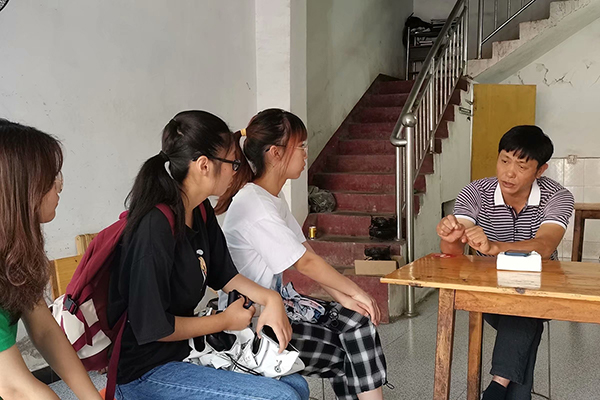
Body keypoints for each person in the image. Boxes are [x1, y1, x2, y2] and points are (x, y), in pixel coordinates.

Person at [107, 110, 309, 400]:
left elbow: (224, 275)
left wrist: (271, 299)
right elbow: (154, 327)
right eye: (232, 163)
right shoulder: (154, 228)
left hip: (183, 351)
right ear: (204, 165)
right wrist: (224, 321)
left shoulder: (200, 211)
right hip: (145, 371)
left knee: (297, 386)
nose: (236, 171)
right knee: (281, 397)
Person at [216, 108, 388, 400]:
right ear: (275, 153)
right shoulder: (255, 204)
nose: (306, 153)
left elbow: (305, 250)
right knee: (348, 351)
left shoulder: (270, 197)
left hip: (274, 308)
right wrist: (357, 291)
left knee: (356, 321)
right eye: (301, 146)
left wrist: (345, 297)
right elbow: (305, 263)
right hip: (250, 324)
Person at [436, 125, 574, 400]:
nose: (509, 173)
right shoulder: (476, 192)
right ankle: (499, 388)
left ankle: (497, 387)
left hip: (540, 286)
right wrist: (451, 237)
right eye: (504, 160)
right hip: (488, 288)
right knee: (525, 320)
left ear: (540, 170)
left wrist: (495, 247)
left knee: (524, 306)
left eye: (521, 166)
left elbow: (545, 246)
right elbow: (453, 251)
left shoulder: (557, 196)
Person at [0, 119, 103, 400]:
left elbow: (45, 331)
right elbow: (13, 387)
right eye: (50, 179)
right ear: (23, 188)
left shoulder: (15, 253)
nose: (59, 187)